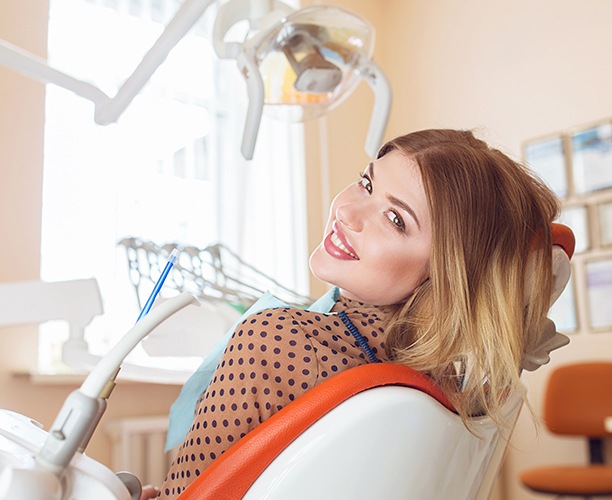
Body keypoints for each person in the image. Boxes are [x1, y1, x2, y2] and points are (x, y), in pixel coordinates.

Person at [152, 129, 559, 499]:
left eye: (396, 219)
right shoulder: (458, 393)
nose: (347, 211)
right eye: (367, 183)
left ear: (446, 277)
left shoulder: (280, 340)